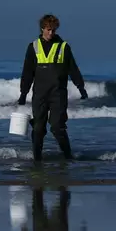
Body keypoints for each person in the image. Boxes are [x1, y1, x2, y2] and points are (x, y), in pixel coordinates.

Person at [18, 14, 88, 161]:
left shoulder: (64, 47)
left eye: (54, 30)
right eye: (49, 30)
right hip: (40, 94)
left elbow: (73, 69)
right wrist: (23, 93)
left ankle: (68, 157)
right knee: (38, 129)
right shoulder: (33, 47)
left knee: (57, 127)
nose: (51, 33)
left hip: (58, 94)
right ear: (42, 28)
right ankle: (37, 159)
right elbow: (27, 72)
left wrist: (81, 87)